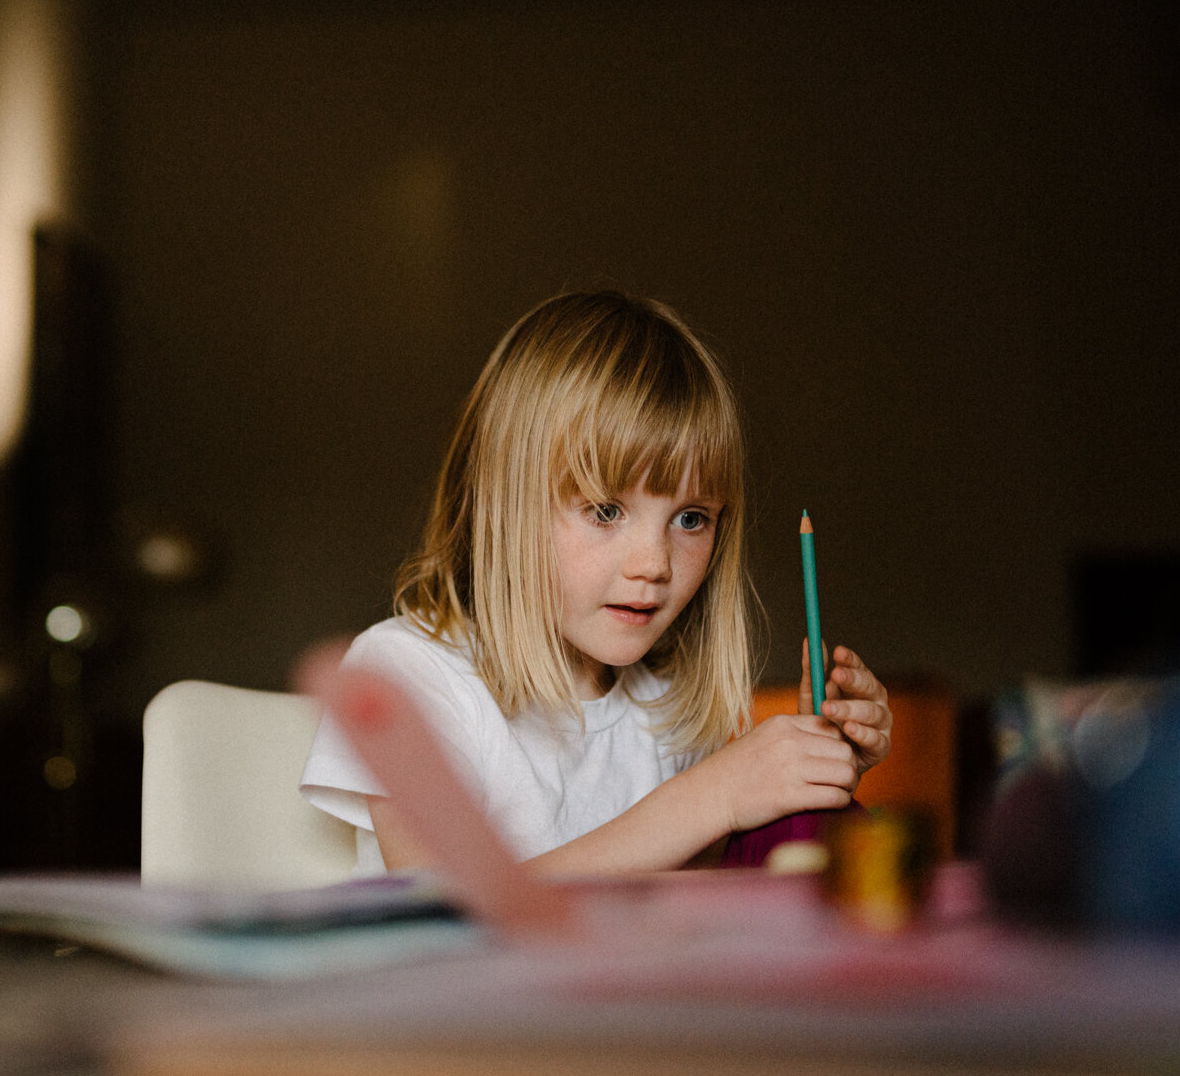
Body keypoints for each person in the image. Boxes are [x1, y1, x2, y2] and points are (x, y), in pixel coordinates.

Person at [301, 290, 892, 877]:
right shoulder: (406, 674)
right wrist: (713, 796)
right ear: (506, 505)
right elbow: (444, 916)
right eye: (605, 511)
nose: (655, 564)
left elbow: (689, 887)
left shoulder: (665, 701)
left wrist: (803, 786)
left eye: (691, 519)